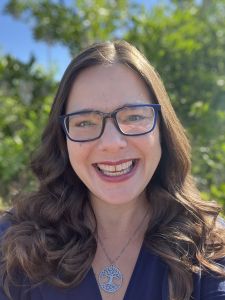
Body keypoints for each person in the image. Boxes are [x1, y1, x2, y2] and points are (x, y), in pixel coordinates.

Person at [0, 40, 225, 300]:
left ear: (162, 130)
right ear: (63, 140)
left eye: (134, 116)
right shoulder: (11, 243)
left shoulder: (210, 246)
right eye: (85, 122)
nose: (111, 144)